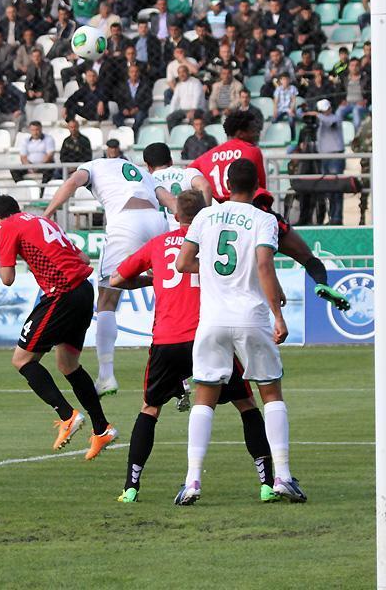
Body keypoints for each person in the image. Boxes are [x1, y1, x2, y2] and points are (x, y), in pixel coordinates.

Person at [111, 190, 279, 504]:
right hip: (206, 335)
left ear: (176, 216)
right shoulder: (209, 241)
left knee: (150, 408)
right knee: (246, 404)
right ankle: (267, 483)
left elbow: (117, 279)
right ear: (203, 213)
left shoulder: (158, 244)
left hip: (167, 339)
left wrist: (151, 280)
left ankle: (131, 487)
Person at [172, 159, 305, 505]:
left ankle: (192, 481)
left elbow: (183, 262)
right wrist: (278, 315)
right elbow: (263, 263)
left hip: (212, 319)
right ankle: (282, 476)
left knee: (204, 396)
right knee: (270, 393)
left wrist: (213, 273)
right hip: (251, 317)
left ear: (226, 184)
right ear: (258, 184)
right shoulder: (264, 219)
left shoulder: (204, 216)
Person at [0, 195, 118, 459]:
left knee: (22, 360)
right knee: (68, 364)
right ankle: (102, 428)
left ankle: (67, 416)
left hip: (62, 293)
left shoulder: (7, 227)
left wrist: (0, 249)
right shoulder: (42, 221)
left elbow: (7, 278)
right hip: (83, 290)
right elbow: (83, 258)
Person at [42, 152, 178, 397]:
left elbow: (71, 183)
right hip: (158, 222)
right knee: (168, 292)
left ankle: (106, 376)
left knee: (106, 299)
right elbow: (170, 201)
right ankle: (181, 376)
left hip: (126, 222)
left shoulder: (94, 165)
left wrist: (47, 214)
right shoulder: (142, 173)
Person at [189, 110, 350, 311]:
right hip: (256, 212)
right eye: (254, 128)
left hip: (224, 216)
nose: (258, 132)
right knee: (306, 256)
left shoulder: (206, 157)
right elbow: (258, 187)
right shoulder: (252, 151)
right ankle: (321, 283)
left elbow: (189, 173)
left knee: (244, 266)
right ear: (240, 131)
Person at [144, 142, 213, 229]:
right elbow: (205, 187)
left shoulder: (146, 180)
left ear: (148, 166)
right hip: (187, 231)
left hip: (161, 233)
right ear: (171, 161)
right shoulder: (188, 173)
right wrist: (202, 219)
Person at [308, 99, 346, 225]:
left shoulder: (335, 118)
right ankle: (331, 217)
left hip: (335, 156)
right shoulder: (320, 121)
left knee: (336, 188)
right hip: (324, 156)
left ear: (330, 108)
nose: (324, 113)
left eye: (325, 110)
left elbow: (330, 123)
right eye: (321, 111)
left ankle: (337, 218)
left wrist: (317, 115)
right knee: (328, 190)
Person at [112, 64, 152, 132]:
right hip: (126, 111)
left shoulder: (145, 85)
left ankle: (133, 132)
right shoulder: (123, 86)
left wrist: (137, 108)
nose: (134, 74)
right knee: (116, 117)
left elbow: (148, 100)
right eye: (132, 72)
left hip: (139, 110)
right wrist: (123, 109)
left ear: (139, 73)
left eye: (136, 72)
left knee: (139, 116)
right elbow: (119, 99)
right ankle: (125, 132)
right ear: (128, 73)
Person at [167, 65, 205, 130]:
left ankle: (192, 136)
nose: (181, 74)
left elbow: (197, 97)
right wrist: (171, 113)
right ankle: (175, 135)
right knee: (170, 118)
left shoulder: (196, 82)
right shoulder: (178, 85)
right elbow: (174, 100)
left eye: (183, 72)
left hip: (197, 109)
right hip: (184, 110)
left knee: (193, 117)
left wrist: (193, 110)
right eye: (179, 73)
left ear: (188, 72)